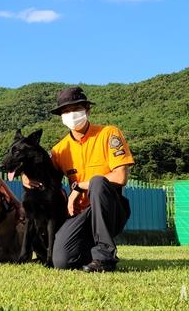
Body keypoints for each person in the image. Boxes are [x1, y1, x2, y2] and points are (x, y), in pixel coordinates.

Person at [26, 86, 133, 272]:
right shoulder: (60, 150)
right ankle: (90, 253)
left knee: (98, 182)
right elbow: (45, 175)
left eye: (76, 109)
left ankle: (105, 258)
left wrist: (79, 187)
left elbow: (120, 176)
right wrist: (25, 176)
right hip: (81, 214)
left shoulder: (108, 134)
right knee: (62, 261)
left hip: (111, 209)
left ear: (87, 110)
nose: (72, 114)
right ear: (61, 116)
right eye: (66, 111)